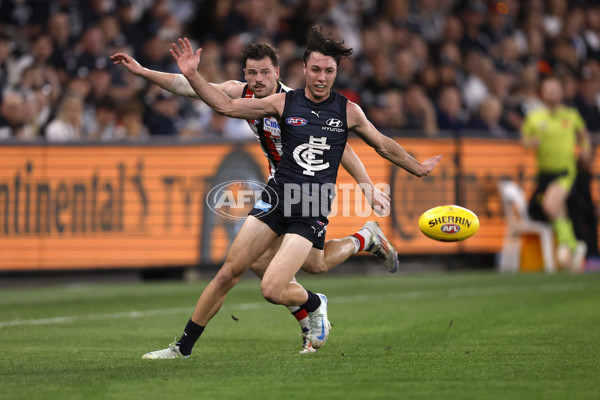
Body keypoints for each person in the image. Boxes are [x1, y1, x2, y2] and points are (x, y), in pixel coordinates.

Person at [139, 26, 441, 359]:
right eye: (315, 69)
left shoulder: (347, 111)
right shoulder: (282, 103)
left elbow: (380, 145)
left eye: (328, 70)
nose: (321, 77)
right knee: (230, 270)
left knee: (283, 282)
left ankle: (328, 286)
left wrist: (414, 168)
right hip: (277, 193)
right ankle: (182, 348)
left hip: (311, 202)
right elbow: (226, 106)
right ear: (303, 70)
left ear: (335, 72)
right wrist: (191, 75)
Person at [522, 77, 591, 272]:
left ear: (561, 92)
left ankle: (567, 243)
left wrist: (585, 150)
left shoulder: (571, 115)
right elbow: (524, 140)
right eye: (548, 89)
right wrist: (530, 143)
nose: (551, 93)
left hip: (565, 172)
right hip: (544, 174)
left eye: (555, 89)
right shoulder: (534, 117)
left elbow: (584, 136)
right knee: (558, 211)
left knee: (550, 206)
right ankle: (575, 247)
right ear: (541, 93)